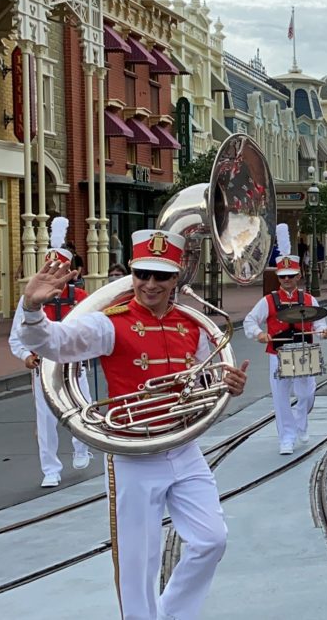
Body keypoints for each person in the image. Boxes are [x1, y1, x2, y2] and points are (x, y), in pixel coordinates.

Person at [16, 228, 250, 620]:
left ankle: (172, 614)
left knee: (212, 539)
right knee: (139, 561)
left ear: (176, 278)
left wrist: (229, 383)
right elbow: (52, 344)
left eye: (160, 275)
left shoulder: (192, 325)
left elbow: (211, 377)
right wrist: (31, 308)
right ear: (132, 274)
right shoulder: (110, 324)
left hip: (182, 447)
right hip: (134, 453)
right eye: (142, 273)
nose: (150, 284)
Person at [8, 217, 92, 488]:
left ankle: (82, 448)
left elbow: (91, 331)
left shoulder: (81, 297)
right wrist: (25, 356)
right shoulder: (29, 299)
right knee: (45, 420)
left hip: (74, 365)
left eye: (61, 270)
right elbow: (16, 336)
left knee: (82, 409)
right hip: (43, 367)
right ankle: (50, 469)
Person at [244, 224, 327, 455]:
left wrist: (323, 331)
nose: (287, 281)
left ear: (298, 276)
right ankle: (287, 437)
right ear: (278, 277)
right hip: (279, 353)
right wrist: (259, 334)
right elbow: (249, 321)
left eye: (291, 276)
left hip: (305, 352)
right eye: (283, 277)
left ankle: (301, 424)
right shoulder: (269, 301)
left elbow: (320, 322)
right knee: (281, 398)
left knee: (306, 394)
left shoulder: (309, 298)